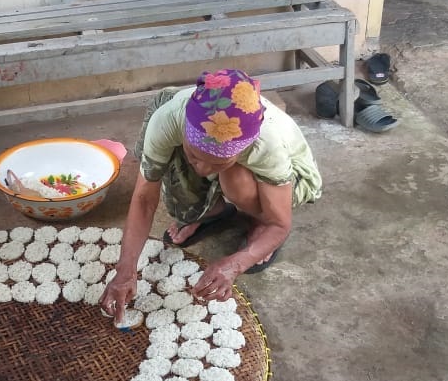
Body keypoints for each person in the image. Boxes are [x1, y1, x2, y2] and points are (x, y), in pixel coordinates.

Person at [99, 69, 322, 324]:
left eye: (218, 163)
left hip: (287, 179)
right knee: (172, 167)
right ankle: (212, 211)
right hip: (214, 152)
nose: (203, 170)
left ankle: (257, 219)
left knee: (236, 181)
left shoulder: (265, 145)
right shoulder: (169, 119)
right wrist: (126, 269)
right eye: (193, 155)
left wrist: (236, 264)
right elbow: (144, 199)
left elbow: (281, 224)